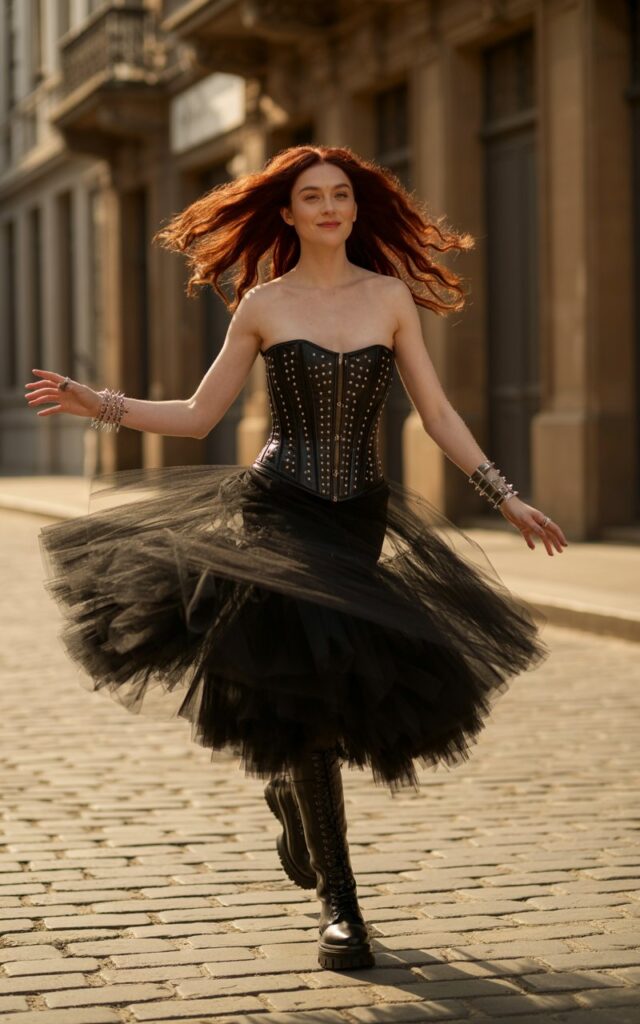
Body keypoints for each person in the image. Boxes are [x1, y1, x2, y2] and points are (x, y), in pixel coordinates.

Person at [25, 145, 566, 972]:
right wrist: (95, 402)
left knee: (338, 703)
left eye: (340, 195)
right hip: (279, 508)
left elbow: (439, 412)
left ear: (355, 209)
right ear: (286, 213)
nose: (327, 207)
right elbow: (200, 415)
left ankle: (290, 796)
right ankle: (341, 906)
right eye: (311, 197)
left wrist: (505, 494)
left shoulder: (389, 299)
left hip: (360, 516)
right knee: (312, 710)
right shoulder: (263, 304)